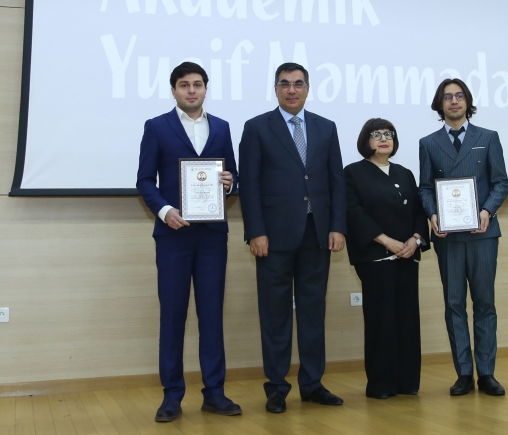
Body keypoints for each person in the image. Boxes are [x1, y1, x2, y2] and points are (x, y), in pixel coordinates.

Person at [238, 62, 348, 413]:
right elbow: (249, 185)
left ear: (307, 89)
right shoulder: (257, 127)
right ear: (276, 89)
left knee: (313, 312)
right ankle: (276, 387)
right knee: (276, 314)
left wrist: (337, 226)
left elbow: (336, 182)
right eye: (285, 84)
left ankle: (312, 384)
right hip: (273, 237)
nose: (291, 90)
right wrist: (256, 232)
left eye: (298, 84)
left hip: (317, 234)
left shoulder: (326, 127)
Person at [135, 62, 241, 421]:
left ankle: (214, 393)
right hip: (173, 236)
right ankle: (172, 396)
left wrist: (230, 182)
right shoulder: (156, 127)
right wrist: (165, 211)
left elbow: (232, 173)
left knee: (211, 315)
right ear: (174, 90)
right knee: (173, 315)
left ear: (206, 89)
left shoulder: (222, 127)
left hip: (212, 237)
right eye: (184, 85)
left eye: (197, 84)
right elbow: (145, 180)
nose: (191, 90)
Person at [419, 78, 508, 397]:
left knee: (484, 303)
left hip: (483, 234)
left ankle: (487, 373)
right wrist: (432, 214)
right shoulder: (428, 143)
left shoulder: (488, 137)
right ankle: (464, 374)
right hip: (448, 237)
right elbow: (425, 187)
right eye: (447, 97)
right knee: (454, 304)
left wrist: (486, 210)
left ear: (467, 102)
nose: (454, 101)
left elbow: (500, 183)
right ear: (440, 104)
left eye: (459, 96)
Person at [344, 119, 430, 399]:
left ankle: (408, 382)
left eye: (389, 134)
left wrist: (415, 239)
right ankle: (381, 384)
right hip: (375, 257)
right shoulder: (353, 172)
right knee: (381, 320)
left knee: (407, 319)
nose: (384, 139)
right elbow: (354, 213)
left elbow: (419, 211)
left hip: (407, 255)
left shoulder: (405, 173)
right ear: (366, 140)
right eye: (377, 134)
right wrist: (386, 241)